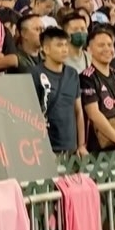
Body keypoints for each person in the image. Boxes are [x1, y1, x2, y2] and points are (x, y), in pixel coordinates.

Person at [80, 25, 115, 152]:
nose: (107, 49)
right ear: (89, 50)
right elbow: (94, 114)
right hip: (98, 148)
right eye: (101, 45)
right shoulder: (86, 77)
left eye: (110, 45)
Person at [32, 27, 85, 155]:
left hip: (70, 146)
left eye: (66, 45)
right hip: (43, 147)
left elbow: (78, 111)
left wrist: (81, 145)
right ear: (46, 49)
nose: (65, 49)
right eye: (59, 45)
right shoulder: (34, 73)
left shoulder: (72, 74)